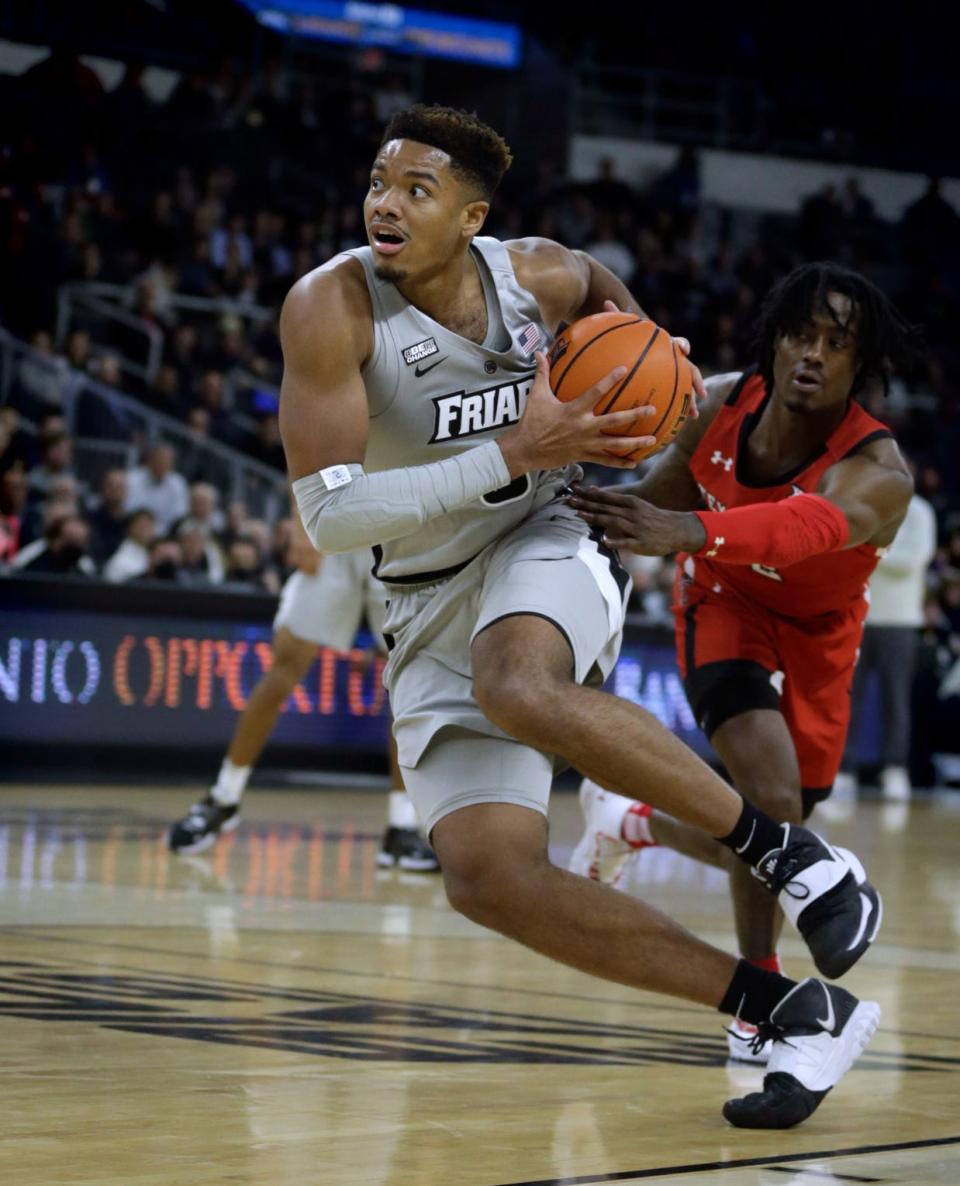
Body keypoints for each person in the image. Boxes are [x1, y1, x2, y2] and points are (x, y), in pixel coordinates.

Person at [278, 105, 883, 1129]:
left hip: (544, 536)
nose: (385, 203)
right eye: (380, 182)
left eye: (415, 190)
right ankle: (790, 1012)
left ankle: (791, 853)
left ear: (470, 217)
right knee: (484, 874)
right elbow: (333, 518)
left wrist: (653, 352)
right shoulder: (330, 310)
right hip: (419, 598)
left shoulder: (543, 276)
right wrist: (513, 445)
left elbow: (609, 296)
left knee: (519, 682)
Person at [567, 262, 917, 1063]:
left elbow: (802, 531)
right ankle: (758, 998)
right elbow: (657, 498)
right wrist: (582, 510)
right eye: (801, 333)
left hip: (821, 636)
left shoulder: (878, 473)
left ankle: (632, 821)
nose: (813, 354)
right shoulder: (721, 401)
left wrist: (690, 533)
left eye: (836, 343)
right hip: (724, 604)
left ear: (858, 365)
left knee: (776, 833)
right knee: (769, 795)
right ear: (775, 335)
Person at [167, 513, 439, 872]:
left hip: (399, 530)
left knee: (407, 683)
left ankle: (402, 827)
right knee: (284, 666)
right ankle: (224, 798)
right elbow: (304, 453)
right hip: (338, 527)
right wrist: (301, 528)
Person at [839, 481, 938, 800]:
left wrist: (872, 550)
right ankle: (843, 770)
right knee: (847, 697)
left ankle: (895, 769)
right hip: (858, 615)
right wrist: (876, 551)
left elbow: (913, 560)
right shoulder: (867, 504)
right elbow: (846, 551)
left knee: (896, 700)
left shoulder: (920, 511)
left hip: (901, 621)